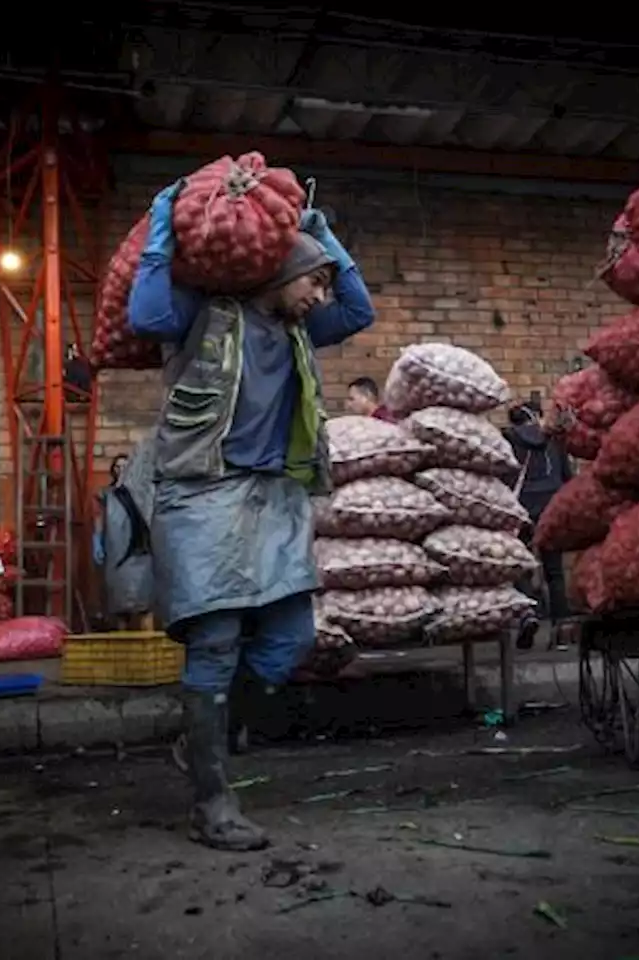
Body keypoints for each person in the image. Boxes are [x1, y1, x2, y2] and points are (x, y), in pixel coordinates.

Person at [127, 179, 374, 851]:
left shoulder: (300, 328)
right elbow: (146, 316)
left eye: (321, 285)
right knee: (216, 641)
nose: (321, 297)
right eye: (312, 282)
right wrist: (159, 225)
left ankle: (199, 737)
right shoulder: (203, 312)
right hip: (201, 492)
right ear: (282, 273)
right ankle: (212, 803)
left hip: (274, 498)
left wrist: (324, 239)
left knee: (289, 640)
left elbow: (359, 310)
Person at [503, 400, 574, 650]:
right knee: (554, 571)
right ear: (539, 416)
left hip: (522, 511)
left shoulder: (509, 442)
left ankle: (527, 616)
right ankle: (563, 629)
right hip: (551, 510)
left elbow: (504, 478)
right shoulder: (555, 441)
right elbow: (568, 479)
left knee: (520, 567)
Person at [92, 450, 154, 629]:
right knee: (119, 606)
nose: (121, 470)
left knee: (145, 604)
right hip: (116, 553)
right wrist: (96, 539)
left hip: (142, 553)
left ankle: (148, 650)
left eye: (125, 467)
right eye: (117, 467)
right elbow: (99, 517)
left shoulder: (144, 492)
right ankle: (123, 649)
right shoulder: (107, 494)